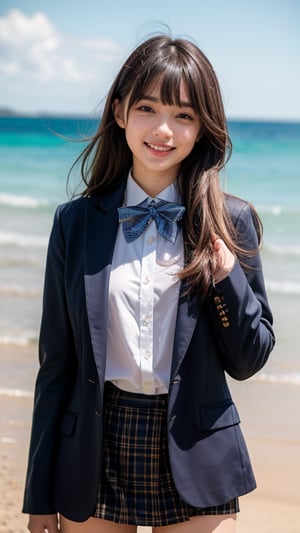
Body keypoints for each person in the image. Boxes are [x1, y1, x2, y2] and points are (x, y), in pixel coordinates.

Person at [23, 34, 275, 533]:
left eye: (184, 115)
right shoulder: (74, 223)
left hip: (197, 444)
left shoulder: (233, 220)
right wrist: (38, 493)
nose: (163, 129)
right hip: (92, 445)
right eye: (147, 108)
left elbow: (250, 360)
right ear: (119, 113)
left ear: (203, 126)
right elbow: (56, 365)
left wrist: (225, 278)